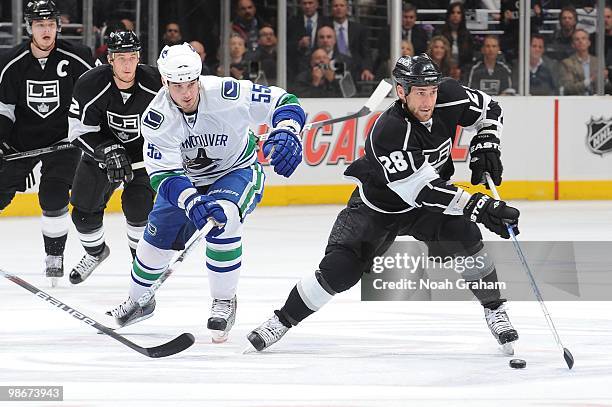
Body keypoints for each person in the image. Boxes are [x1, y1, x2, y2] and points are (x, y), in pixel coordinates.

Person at [247, 54, 521, 354]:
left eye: (432, 91)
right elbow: (422, 191)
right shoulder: (388, 131)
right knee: (339, 270)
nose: (428, 101)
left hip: (428, 206)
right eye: (420, 93)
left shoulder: (450, 95)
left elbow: (490, 109)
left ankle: (494, 308)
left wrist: (487, 144)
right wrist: (480, 206)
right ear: (401, 91)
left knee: (467, 237)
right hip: (380, 208)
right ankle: (282, 320)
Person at [106, 43, 306, 343]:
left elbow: (284, 100)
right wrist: (191, 201)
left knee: (222, 218)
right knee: (153, 246)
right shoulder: (156, 119)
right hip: (185, 180)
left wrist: (289, 128)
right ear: (164, 82)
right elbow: (164, 175)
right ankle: (139, 300)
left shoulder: (229, 93)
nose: (185, 93)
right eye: (177, 86)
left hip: (236, 170)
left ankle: (224, 301)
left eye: (190, 84)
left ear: (199, 78)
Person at [0, 0, 94, 285]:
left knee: (53, 197)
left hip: (62, 142)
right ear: (30, 27)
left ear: (58, 27)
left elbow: (95, 95)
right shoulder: (11, 62)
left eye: (51, 25)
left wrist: (86, 134)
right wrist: (2, 141)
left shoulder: (79, 56)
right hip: (21, 142)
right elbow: (4, 109)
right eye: (40, 25)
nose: (46, 31)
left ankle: (54, 256)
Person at [67, 31, 161, 284]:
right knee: (82, 215)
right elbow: (77, 131)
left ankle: (141, 266)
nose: (128, 64)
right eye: (121, 58)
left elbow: (177, 120)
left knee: (139, 209)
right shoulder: (89, 84)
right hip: (102, 153)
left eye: (132, 57)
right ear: (110, 59)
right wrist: (106, 150)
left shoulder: (156, 83)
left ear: (139, 57)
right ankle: (96, 253)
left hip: (142, 156)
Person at [330, 0, 375, 81]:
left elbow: (366, 52)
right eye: (335, 6)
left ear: (347, 9)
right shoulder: (325, 27)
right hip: (332, 67)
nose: (339, 8)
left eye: (342, 5)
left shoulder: (359, 29)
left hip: (354, 69)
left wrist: (366, 69)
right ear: (331, 9)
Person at [560, 28, 609, 95]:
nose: (580, 41)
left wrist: (605, 79)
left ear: (589, 43)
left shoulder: (598, 62)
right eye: (577, 39)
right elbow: (568, 88)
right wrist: (590, 80)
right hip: (577, 101)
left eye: (583, 38)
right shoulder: (567, 63)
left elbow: (606, 88)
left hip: (597, 101)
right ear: (573, 45)